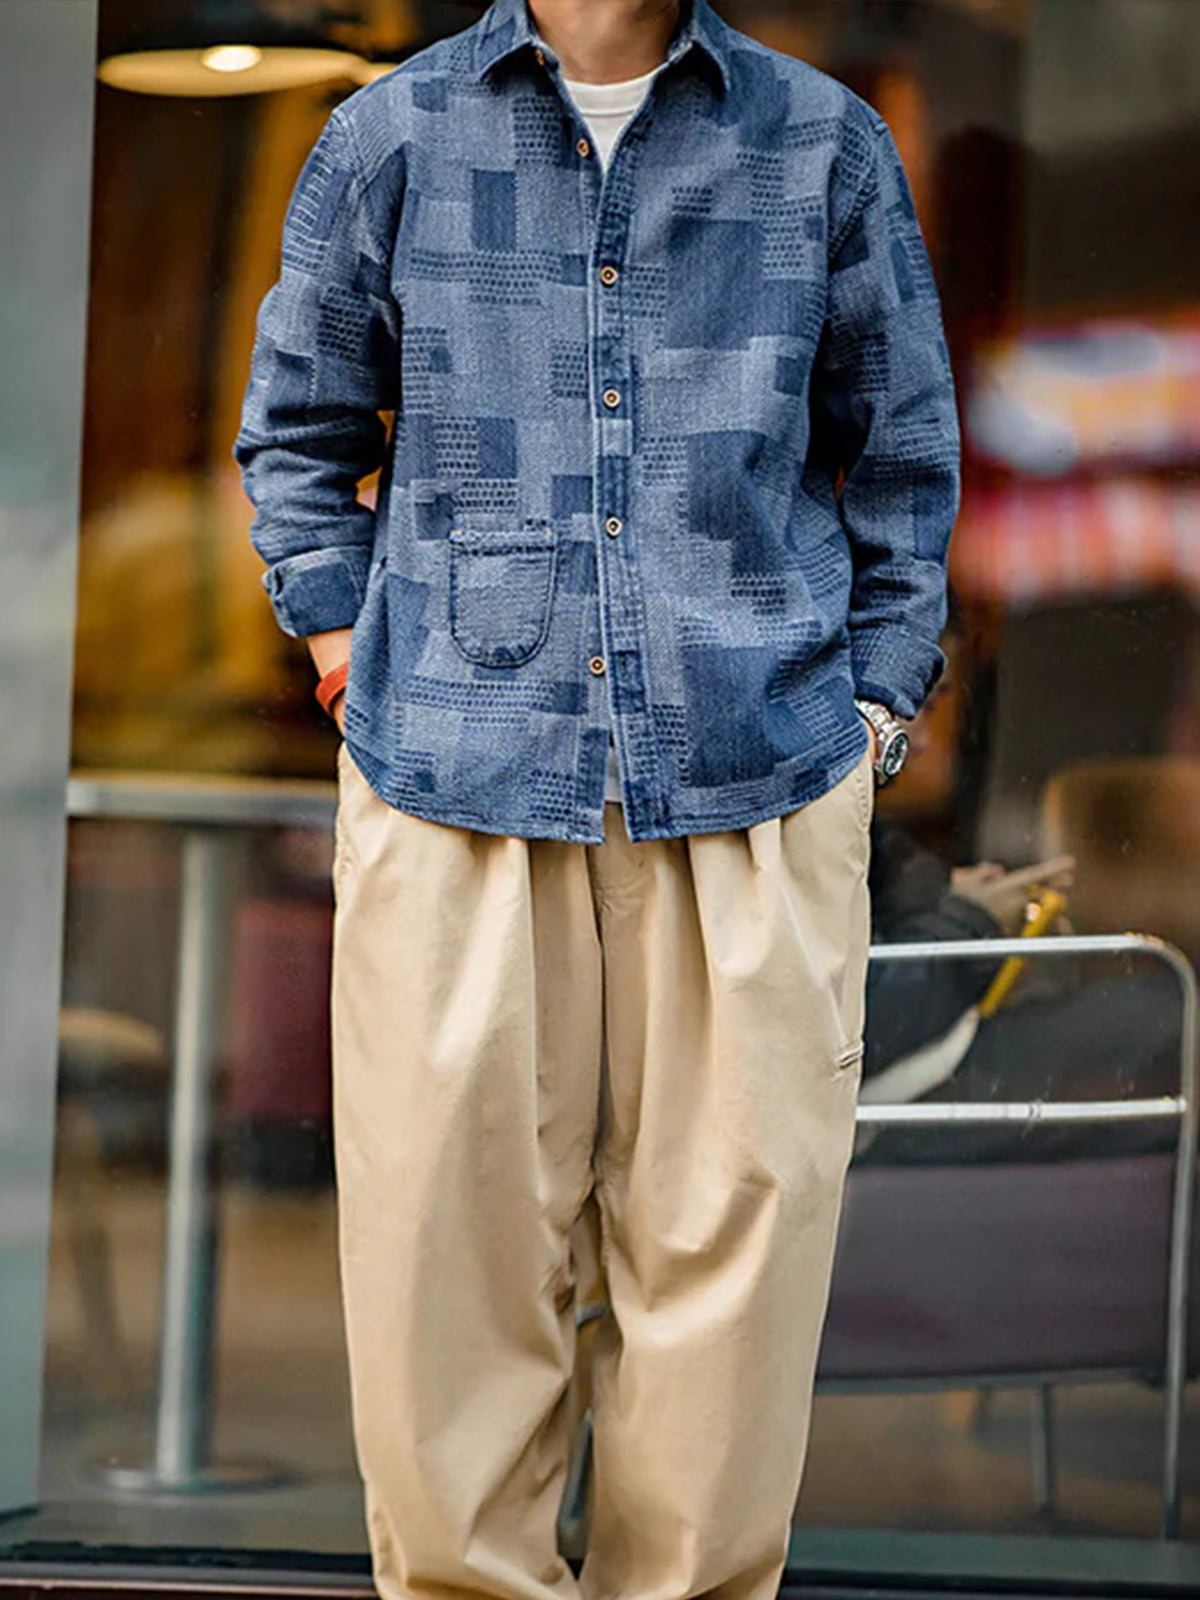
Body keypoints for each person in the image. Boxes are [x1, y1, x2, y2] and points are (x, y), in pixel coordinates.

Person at [234, 4, 959, 1600]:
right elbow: (295, 431)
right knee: (441, 1279)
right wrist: (346, 649)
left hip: (760, 779)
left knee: (731, 1299)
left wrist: (873, 714)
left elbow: (904, 462)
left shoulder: (822, 143)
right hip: (451, 782)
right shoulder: (393, 134)